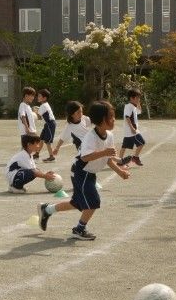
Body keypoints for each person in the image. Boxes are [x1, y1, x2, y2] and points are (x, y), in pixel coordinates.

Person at [36, 100, 130, 240]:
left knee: (77, 203)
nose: (114, 119)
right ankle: (79, 229)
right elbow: (85, 157)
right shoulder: (90, 137)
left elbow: (108, 159)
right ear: (102, 120)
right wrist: (104, 152)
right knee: (93, 201)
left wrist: (120, 171)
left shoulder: (109, 136)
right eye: (111, 116)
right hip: (81, 171)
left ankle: (47, 209)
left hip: (88, 173)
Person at [119, 88, 145, 166]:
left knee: (124, 146)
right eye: (137, 97)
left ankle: (119, 161)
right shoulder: (129, 106)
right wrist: (132, 128)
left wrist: (138, 103)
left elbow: (140, 111)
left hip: (129, 132)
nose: (138, 99)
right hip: (132, 131)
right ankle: (135, 157)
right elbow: (127, 117)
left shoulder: (133, 106)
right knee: (142, 143)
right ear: (131, 98)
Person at [17, 86, 39, 159]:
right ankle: (21, 159)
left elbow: (30, 118)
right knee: (26, 147)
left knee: (29, 147)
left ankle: (26, 159)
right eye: (32, 95)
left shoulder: (28, 106)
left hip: (31, 130)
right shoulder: (22, 105)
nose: (33, 97)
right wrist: (27, 128)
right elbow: (23, 116)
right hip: (27, 131)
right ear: (26, 96)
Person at [36, 89, 57, 162]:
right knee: (41, 139)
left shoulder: (43, 106)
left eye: (39, 96)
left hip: (50, 124)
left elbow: (38, 117)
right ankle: (36, 154)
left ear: (44, 98)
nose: (38, 97)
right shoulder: (44, 105)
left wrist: (35, 111)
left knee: (48, 141)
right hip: (48, 124)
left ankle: (52, 157)